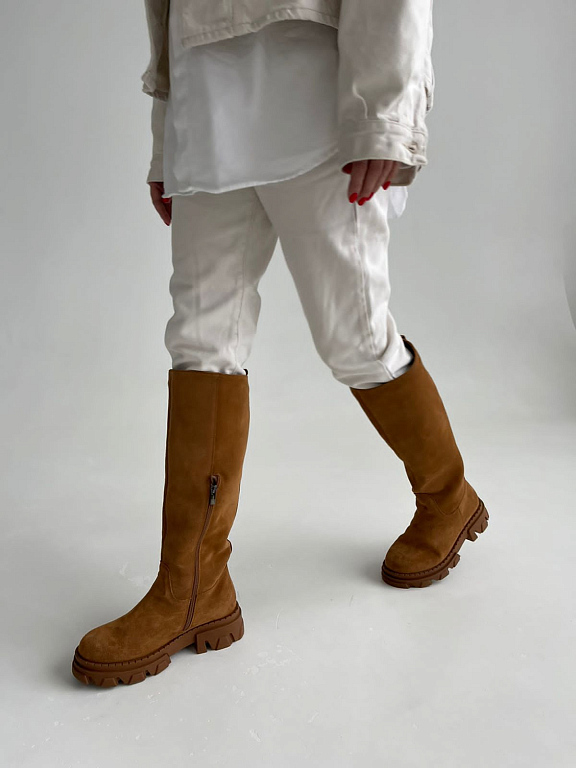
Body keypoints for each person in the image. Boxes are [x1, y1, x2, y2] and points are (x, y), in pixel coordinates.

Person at [72, 0, 488, 688]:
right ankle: (193, 586)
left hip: (314, 90)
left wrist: (385, 114)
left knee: (354, 337)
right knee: (200, 340)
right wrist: (165, 137)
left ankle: (448, 497)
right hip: (206, 101)